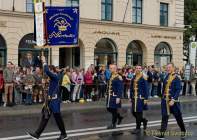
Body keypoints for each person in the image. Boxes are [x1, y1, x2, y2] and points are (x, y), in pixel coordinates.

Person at [27, 56, 68, 140]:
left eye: (50, 71)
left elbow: (46, 70)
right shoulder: (50, 79)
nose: (47, 73)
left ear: (52, 71)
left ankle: (63, 134)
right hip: (48, 101)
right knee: (45, 117)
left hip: (55, 101)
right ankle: (37, 134)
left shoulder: (56, 77)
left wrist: (44, 61)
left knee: (58, 118)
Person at [154, 63, 186, 140]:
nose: (168, 69)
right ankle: (162, 134)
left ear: (173, 68)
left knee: (178, 117)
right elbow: (164, 88)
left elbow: (178, 89)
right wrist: (162, 97)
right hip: (165, 101)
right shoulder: (166, 76)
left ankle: (183, 130)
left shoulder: (177, 77)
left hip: (173, 102)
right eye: (167, 67)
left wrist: (173, 99)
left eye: (169, 67)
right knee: (164, 117)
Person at [130, 65, 149, 134]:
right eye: (137, 68)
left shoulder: (143, 77)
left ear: (141, 69)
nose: (138, 69)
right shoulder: (134, 77)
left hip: (141, 98)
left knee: (138, 113)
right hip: (134, 98)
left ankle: (138, 128)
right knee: (133, 112)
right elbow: (131, 87)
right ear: (135, 69)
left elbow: (146, 89)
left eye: (139, 68)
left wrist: (146, 98)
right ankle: (144, 120)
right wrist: (130, 97)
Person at [106, 64, 124, 129]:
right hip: (110, 96)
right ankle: (119, 117)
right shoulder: (111, 75)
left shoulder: (118, 77)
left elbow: (120, 88)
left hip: (115, 96)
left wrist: (118, 97)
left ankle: (113, 124)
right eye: (110, 68)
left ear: (115, 69)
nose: (110, 69)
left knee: (114, 110)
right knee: (109, 108)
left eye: (112, 68)